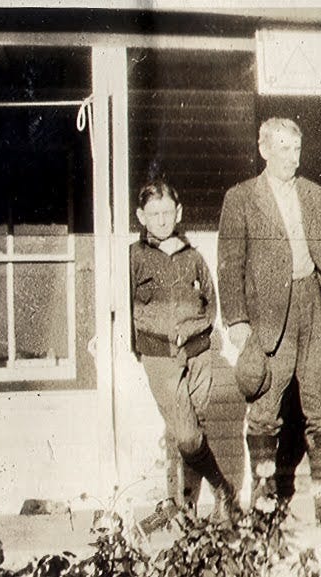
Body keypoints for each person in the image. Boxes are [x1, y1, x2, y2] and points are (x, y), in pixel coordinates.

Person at [217, 117, 321, 525]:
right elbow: (230, 264)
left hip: (314, 304)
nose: (291, 158)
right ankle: (265, 500)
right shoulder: (242, 197)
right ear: (264, 150)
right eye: (282, 149)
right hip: (268, 314)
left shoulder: (316, 194)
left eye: (295, 150)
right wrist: (236, 321)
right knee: (265, 405)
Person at [130, 181, 235, 523]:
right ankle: (222, 487)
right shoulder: (135, 257)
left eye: (167, 213)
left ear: (178, 213)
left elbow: (210, 302)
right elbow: (124, 302)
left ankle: (183, 505)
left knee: (189, 428)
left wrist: (197, 334)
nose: (161, 220)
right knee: (186, 433)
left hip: (198, 352)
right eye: (154, 214)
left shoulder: (193, 257)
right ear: (141, 217)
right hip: (160, 355)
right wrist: (143, 345)